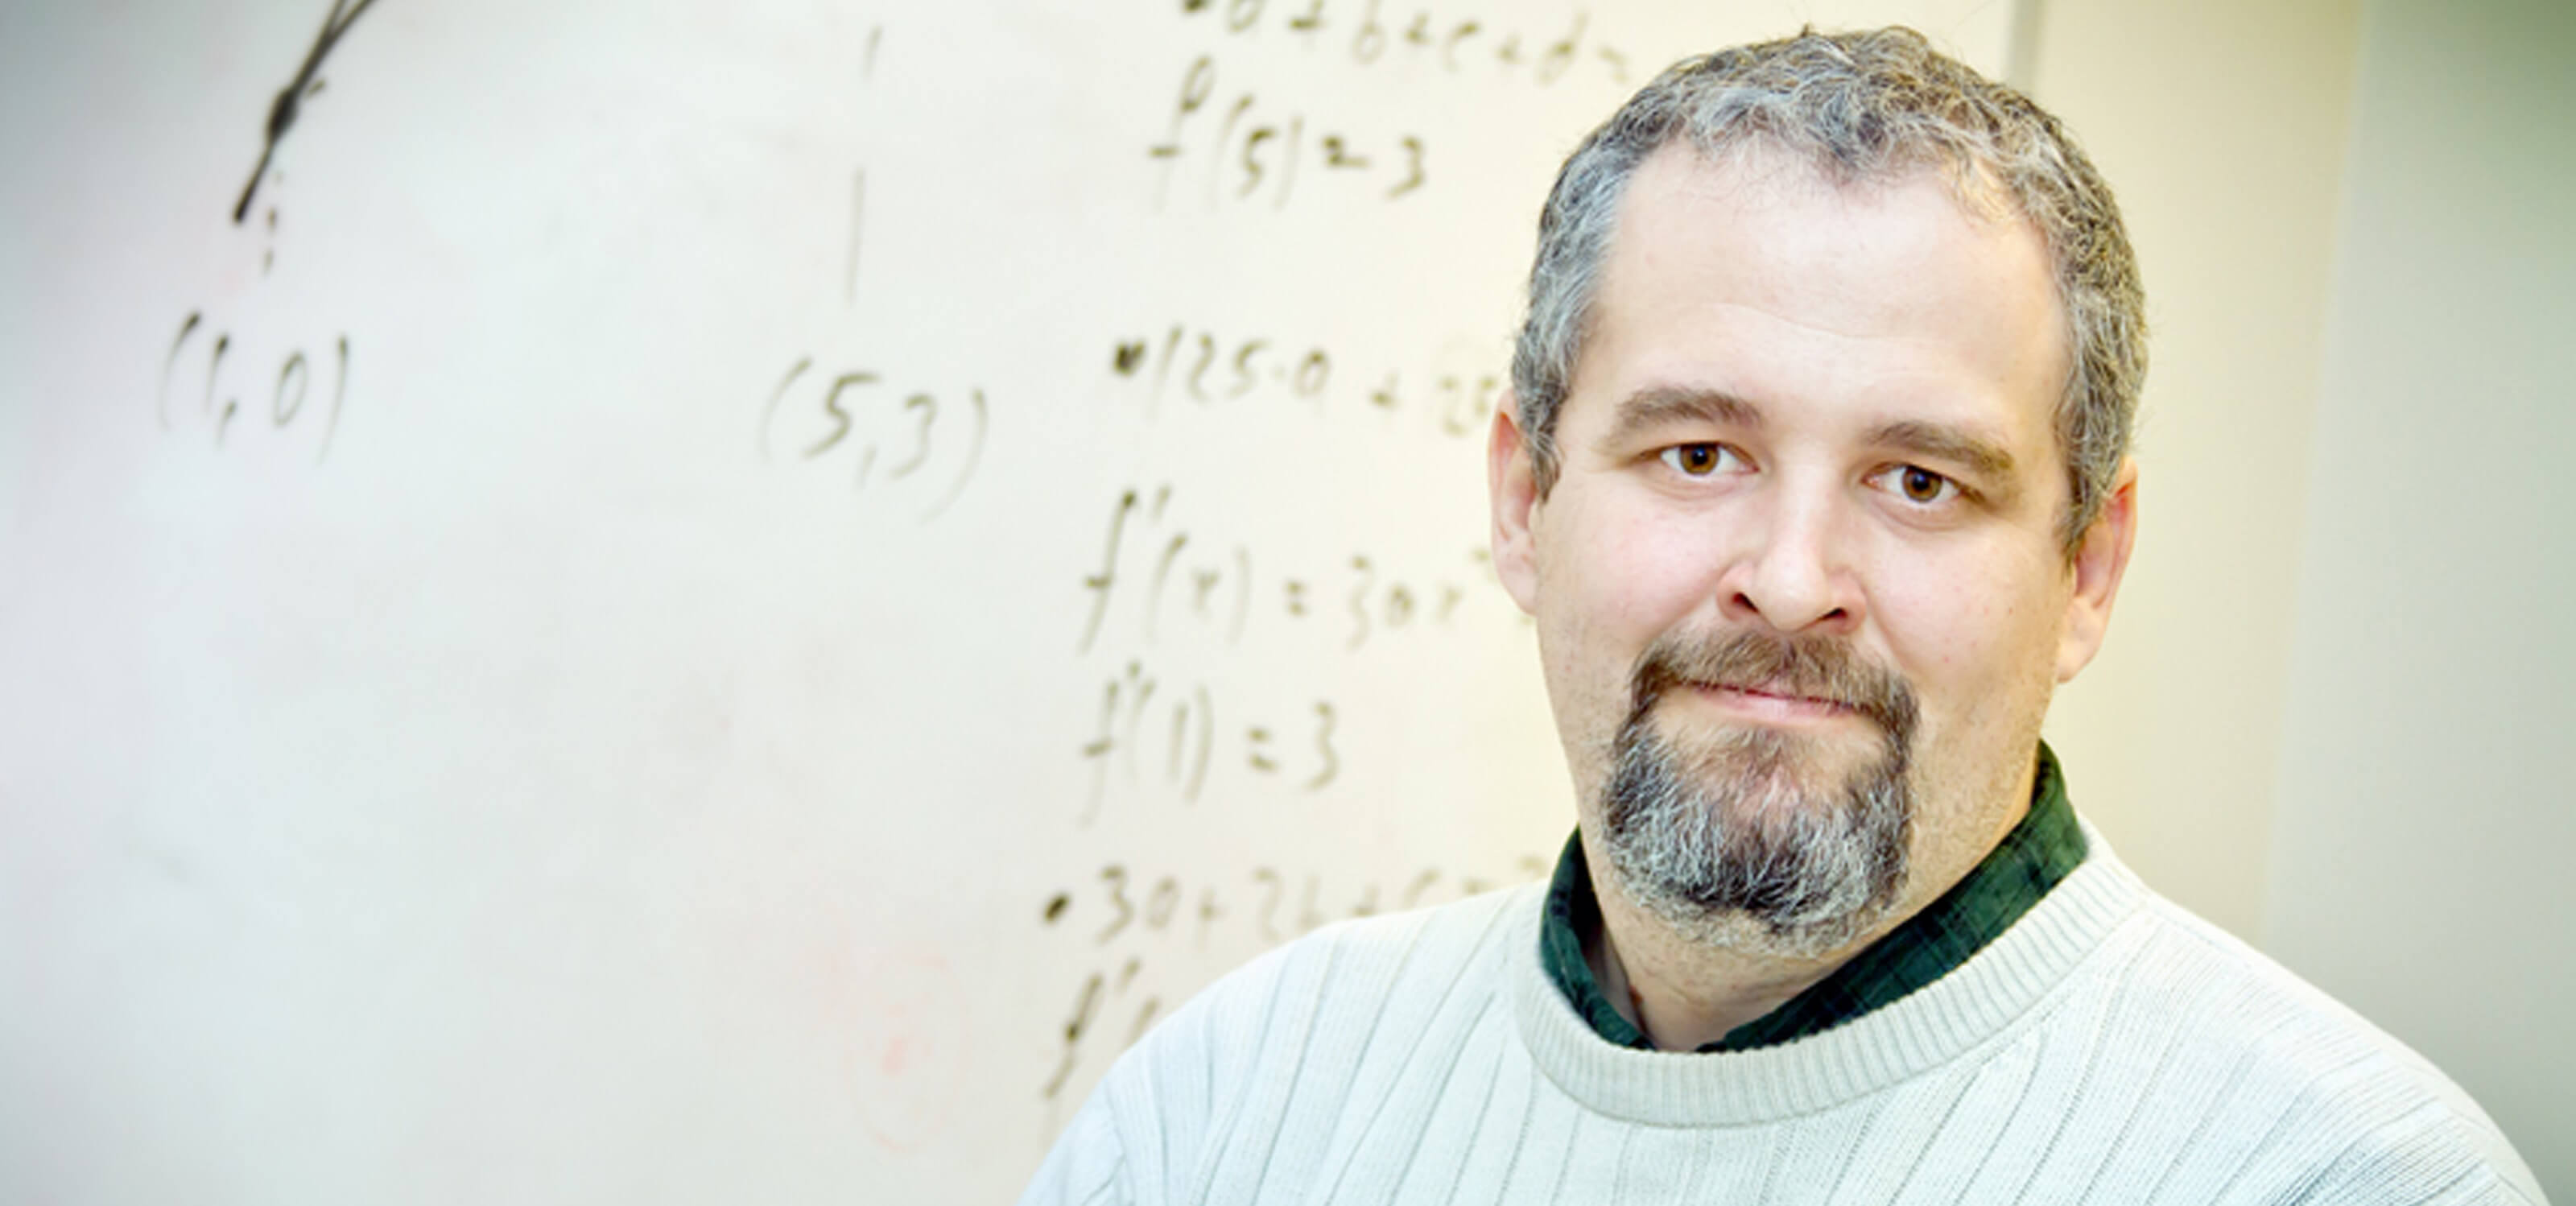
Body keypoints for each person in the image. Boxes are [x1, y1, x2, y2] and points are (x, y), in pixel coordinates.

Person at [1020, 27, 2545, 1204]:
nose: (1795, 573)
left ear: (2088, 567)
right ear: (1521, 498)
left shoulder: (2338, 1174)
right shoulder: (1233, 1105)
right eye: (1699, 452)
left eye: (1922, 479)